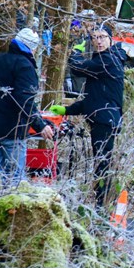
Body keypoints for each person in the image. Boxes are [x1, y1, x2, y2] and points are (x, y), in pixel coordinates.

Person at [50, 25, 126, 206]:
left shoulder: (108, 60)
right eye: (94, 37)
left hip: (105, 121)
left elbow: (77, 68)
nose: (98, 41)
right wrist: (67, 110)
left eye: (102, 37)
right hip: (102, 118)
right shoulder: (102, 60)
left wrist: (76, 52)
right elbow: (94, 99)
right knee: (101, 163)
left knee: (102, 165)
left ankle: (102, 206)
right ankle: (101, 203)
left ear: (110, 39)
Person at [0, 28, 54, 186]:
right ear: (32, 48)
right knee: (15, 182)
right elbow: (25, 101)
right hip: (12, 132)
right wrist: (40, 125)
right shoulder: (25, 67)